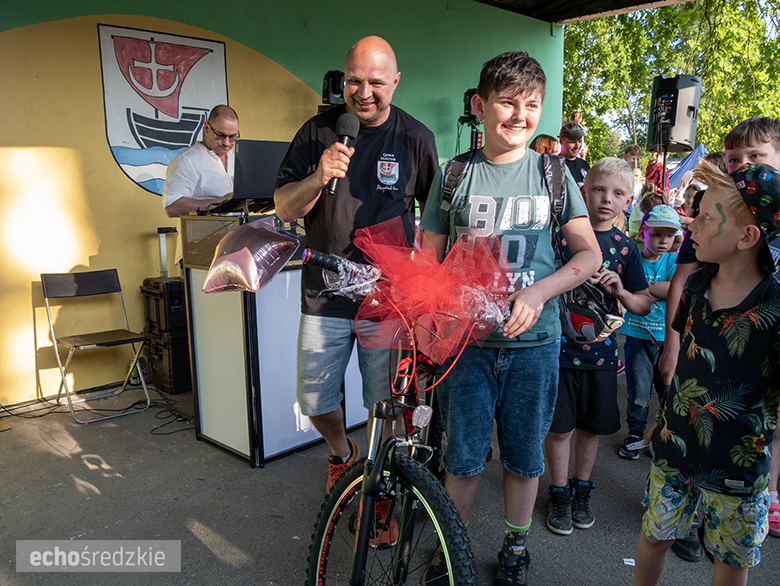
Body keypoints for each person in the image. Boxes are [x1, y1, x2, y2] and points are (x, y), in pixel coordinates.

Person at [420, 51, 601, 585]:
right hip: (467, 349)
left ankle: (515, 549)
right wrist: (427, 323)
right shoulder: (454, 175)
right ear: (479, 107)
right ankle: (450, 548)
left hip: (535, 347)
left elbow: (588, 254)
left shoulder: (554, 173)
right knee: (463, 459)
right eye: (507, 103)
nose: (520, 116)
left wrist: (540, 292)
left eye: (532, 105)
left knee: (524, 459)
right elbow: (427, 262)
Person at [273, 36, 439, 515]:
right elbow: (284, 207)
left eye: (376, 83)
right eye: (353, 81)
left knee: (383, 407)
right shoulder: (316, 132)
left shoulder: (415, 137)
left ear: (396, 81)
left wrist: (425, 289)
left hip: (386, 301)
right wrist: (318, 176)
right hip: (324, 295)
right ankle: (343, 456)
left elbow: (435, 220)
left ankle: (379, 488)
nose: (363, 93)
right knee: (314, 400)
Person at [633, 159, 780, 586]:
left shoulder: (775, 308)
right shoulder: (695, 288)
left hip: (739, 462)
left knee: (731, 558)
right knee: (655, 536)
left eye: (705, 217)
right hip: (675, 447)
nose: (690, 223)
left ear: (747, 237)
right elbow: (685, 358)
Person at [544, 157, 651, 537]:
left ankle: (582, 491)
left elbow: (643, 304)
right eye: (599, 190)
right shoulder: (558, 236)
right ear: (583, 190)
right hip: (556, 353)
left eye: (618, 193)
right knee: (559, 430)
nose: (607, 199)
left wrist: (621, 291)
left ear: (629, 201)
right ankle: (558, 493)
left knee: (591, 429)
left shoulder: (626, 248)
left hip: (601, 358)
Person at [617, 205, 680, 460]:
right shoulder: (633, 258)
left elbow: (677, 289)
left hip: (668, 340)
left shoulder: (674, 261)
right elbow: (626, 291)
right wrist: (658, 290)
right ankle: (635, 434)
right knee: (639, 393)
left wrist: (642, 290)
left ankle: (662, 436)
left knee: (668, 393)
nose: (664, 240)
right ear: (642, 231)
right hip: (638, 335)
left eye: (670, 235)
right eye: (657, 234)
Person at [163, 105, 238, 218]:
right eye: (220, 135)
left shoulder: (236, 159)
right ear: (206, 128)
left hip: (238, 229)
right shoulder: (186, 160)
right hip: (203, 230)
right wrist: (222, 203)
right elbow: (172, 208)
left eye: (232, 137)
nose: (226, 143)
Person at [559, 122, 590, 187]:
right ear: (561, 141)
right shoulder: (553, 163)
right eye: (572, 142)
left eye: (580, 141)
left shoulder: (584, 165)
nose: (577, 146)